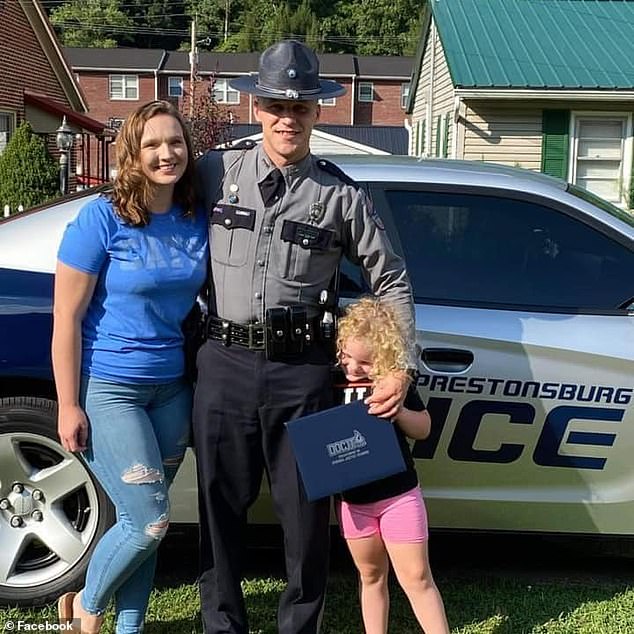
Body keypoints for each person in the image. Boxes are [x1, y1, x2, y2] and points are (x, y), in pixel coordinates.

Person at [193, 39, 416, 634]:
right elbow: (148, 205)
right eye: (275, 106)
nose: (287, 118)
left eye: (301, 108)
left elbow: (390, 277)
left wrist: (399, 366)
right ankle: (222, 625)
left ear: (318, 113)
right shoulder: (217, 171)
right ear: (256, 108)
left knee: (305, 518)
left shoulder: (341, 195)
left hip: (303, 373)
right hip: (223, 363)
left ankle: (298, 627)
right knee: (217, 510)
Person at [52, 100, 208, 634]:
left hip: (171, 390)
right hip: (111, 389)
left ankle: (129, 628)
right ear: (133, 153)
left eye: (176, 142)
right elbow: (66, 318)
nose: (167, 154)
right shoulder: (102, 217)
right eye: (153, 145)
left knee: (147, 520)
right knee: (151, 521)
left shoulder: (194, 216)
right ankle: (87, 608)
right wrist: (69, 403)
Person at [335, 297, 449, 634]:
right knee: (370, 576)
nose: (354, 369)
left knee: (416, 577)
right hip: (353, 502)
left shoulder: (392, 385)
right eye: (347, 357)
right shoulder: (328, 382)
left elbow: (424, 428)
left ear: (384, 358)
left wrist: (397, 411)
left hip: (399, 496)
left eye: (365, 362)